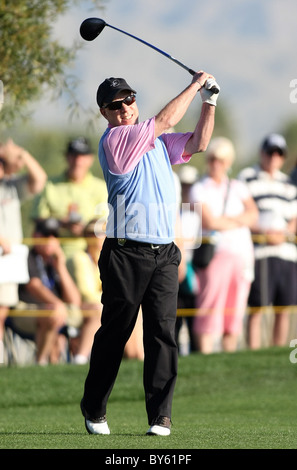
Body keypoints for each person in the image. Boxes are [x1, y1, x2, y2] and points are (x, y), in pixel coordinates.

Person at [80, 72, 219, 436]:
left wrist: (209, 101)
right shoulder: (116, 140)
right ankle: (94, 409)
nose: (124, 108)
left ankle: (161, 416)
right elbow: (167, 119)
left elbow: (198, 143)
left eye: (128, 100)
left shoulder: (156, 142)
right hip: (125, 254)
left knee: (162, 333)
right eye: (115, 104)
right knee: (116, 333)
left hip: (164, 254)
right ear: (104, 113)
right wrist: (194, 84)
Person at [189, 137, 258, 354]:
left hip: (241, 255)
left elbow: (253, 215)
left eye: (220, 159)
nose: (215, 163)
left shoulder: (238, 187)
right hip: (215, 255)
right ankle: (206, 354)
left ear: (228, 162)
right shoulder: (199, 188)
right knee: (209, 307)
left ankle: (230, 355)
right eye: (212, 159)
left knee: (235, 311)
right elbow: (210, 221)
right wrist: (238, 220)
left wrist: (226, 221)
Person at [238, 133, 297, 349]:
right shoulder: (247, 176)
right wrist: (264, 232)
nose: (274, 157)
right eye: (270, 152)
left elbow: (294, 217)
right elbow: (241, 212)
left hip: (286, 252)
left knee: (284, 307)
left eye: (278, 154)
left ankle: (278, 352)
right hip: (259, 251)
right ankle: (254, 353)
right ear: (262, 153)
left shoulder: (288, 183)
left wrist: (282, 234)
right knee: (257, 307)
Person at [67, 218, 144, 362]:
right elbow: (87, 294)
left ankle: (136, 356)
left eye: (102, 232)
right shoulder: (80, 258)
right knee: (100, 308)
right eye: (92, 233)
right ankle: (80, 358)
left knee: (132, 308)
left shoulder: (109, 257)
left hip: (103, 304)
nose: (97, 236)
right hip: (78, 307)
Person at [0, 139, 47, 359]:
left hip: (8, 261)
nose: (19, 163)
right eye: (15, 160)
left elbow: (40, 179)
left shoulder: (11, 185)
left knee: (1, 312)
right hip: (3, 254)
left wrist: (23, 153)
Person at [13, 218, 81, 365]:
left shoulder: (55, 261)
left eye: (54, 235)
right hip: (24, 309)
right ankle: (41, 361)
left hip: (55, 312)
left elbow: (75, 300)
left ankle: (66, 361)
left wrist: (61, 267)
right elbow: (34, 286)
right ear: (35, 236)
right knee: (53, 312)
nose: (50, 239)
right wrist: (58, 304)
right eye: (46, 235)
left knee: (58, 313)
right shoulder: (28, 255)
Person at [31, 136, 108, 260]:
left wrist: (84, 229)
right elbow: (38, 221)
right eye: (74, 155)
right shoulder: (50, 185)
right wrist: (61, 224)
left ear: (91, 159)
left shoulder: (101, 188)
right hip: (53, 255)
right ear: (66, 157)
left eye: (82, 156)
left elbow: (104, 224)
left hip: (90, 256)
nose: (78, 161)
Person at [175, 165, 200, 354]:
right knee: (174, 317)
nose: (186, 190)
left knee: (193, 316)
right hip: (175, 266)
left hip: (193, 269)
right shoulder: (174, 212)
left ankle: (193, 351)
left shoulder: (195, 214)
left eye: (190, 186)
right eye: (184, 185)